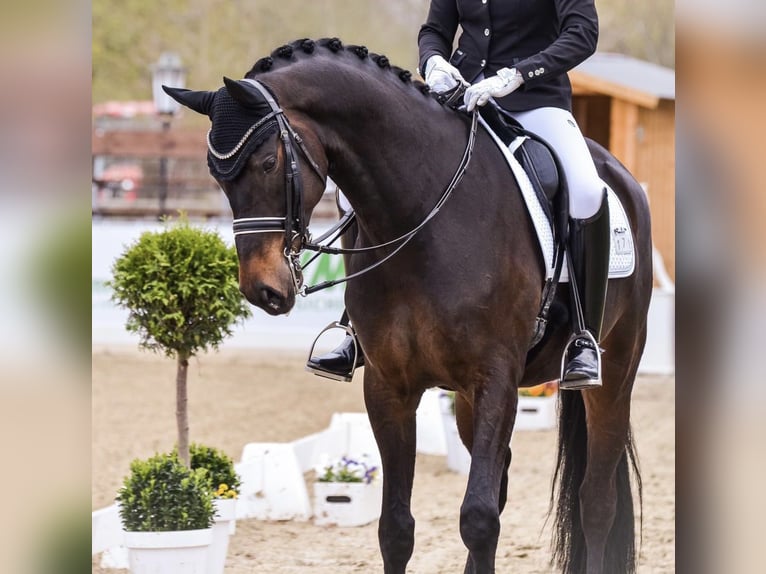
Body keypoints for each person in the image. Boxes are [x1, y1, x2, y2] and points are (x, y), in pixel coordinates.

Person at [310, 0, 609, 390]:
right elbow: (435, 29)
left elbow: (582, 33)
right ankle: (356, 328)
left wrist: (517, 75)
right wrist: (433, 60)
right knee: (356, 193)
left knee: (586, 191)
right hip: (460, 101)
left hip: (533, 102)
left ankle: (583, 337)